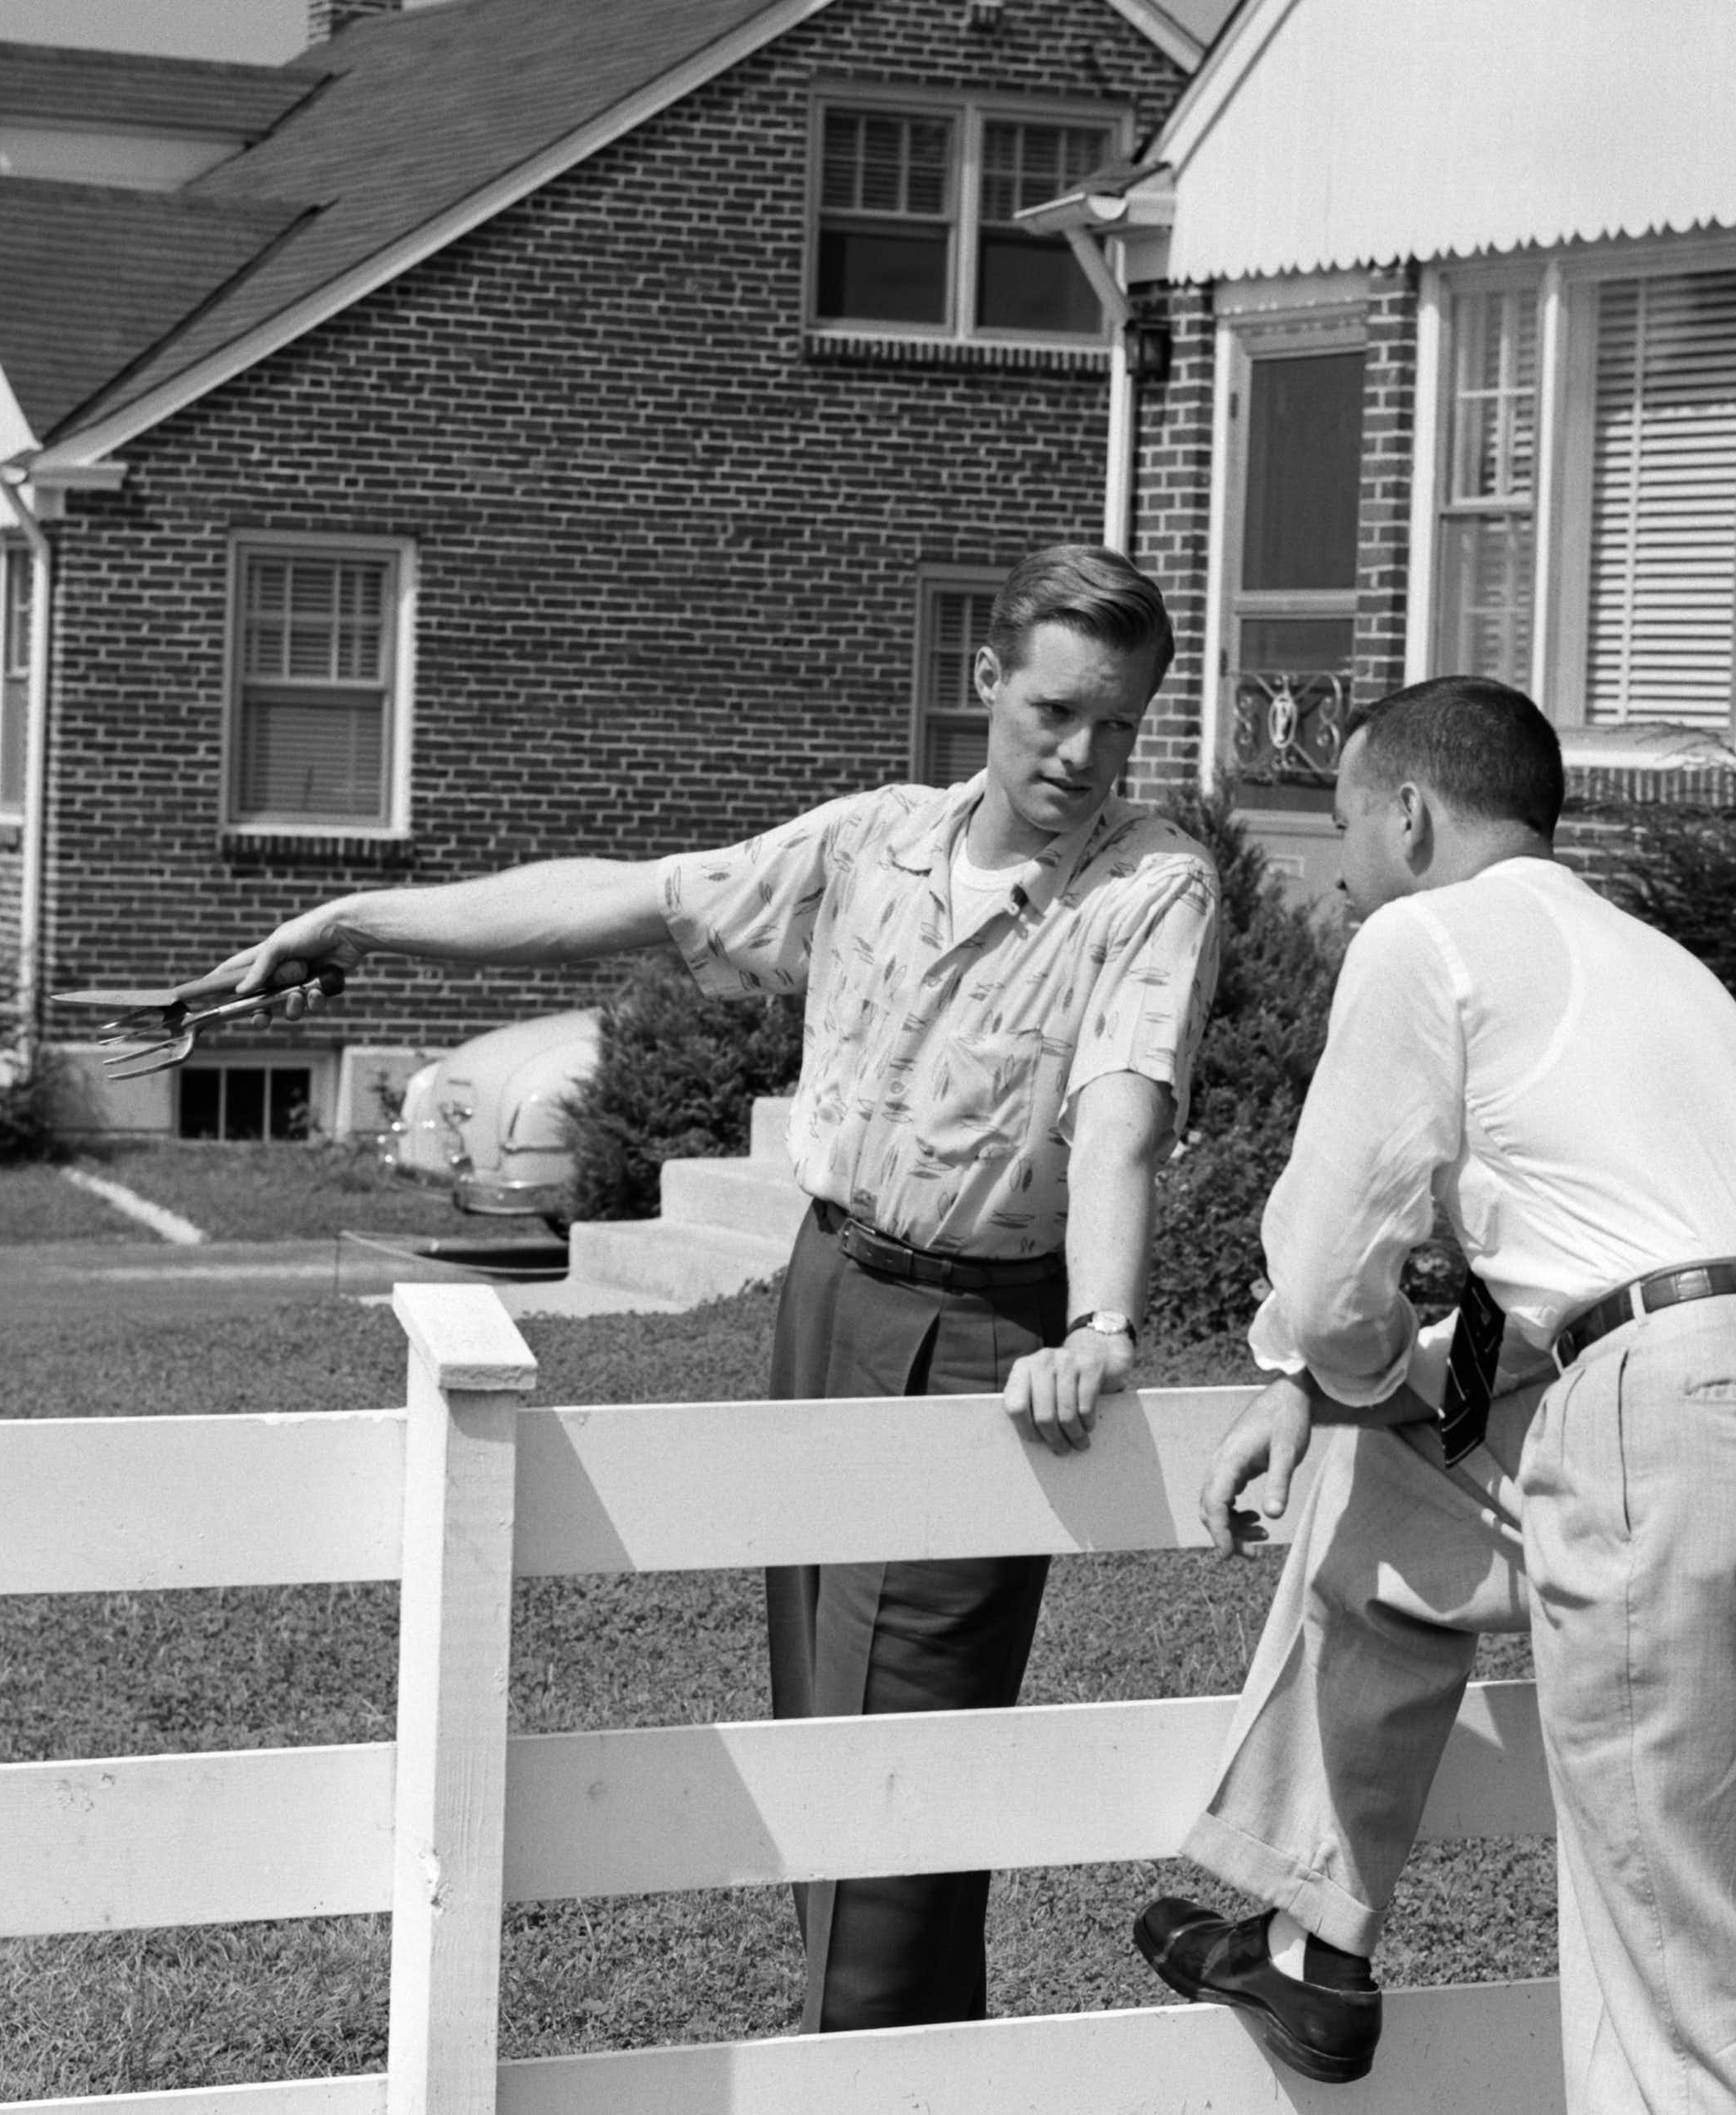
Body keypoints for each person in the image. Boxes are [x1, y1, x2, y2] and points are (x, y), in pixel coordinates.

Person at [191, 543, 1221, 2036]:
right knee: (821, 1724)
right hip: (827, 1290)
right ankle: (875, 2065)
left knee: (906, 1763)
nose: (1079, 753)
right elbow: (627, 898)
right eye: (1054, 710)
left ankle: (883, 2071)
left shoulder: (1152, 886)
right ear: (986, 684)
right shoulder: (875, 843)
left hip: (986, 1327)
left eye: (1116, 724)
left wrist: (1107, 1326)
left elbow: (1121, 1114)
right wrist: (357, 919)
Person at [1132, 677, 1736, 2115]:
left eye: (1352, 824)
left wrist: (1329, 1362)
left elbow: (1330, 1248)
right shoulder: (1631, 955)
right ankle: (1312, 1940)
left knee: (1673, 1983)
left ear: (1413, 815)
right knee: (1396, 1500)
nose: (1345, 865)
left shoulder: (1424, 936)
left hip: (1678, 1408)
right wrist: (1334, 1390)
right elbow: (1544, 1268)